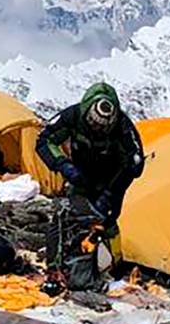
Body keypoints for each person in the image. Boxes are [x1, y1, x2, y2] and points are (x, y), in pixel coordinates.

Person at [36, 82, 144, 290]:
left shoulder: (123, 126)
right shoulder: (72, 116)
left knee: (107, 222)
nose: (97, 130)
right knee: (63, 218)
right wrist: (63, 165)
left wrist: (112, 192)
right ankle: (55, 268)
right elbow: (45, 139)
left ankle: (116, 268)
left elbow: (136, 164)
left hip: (111, 181)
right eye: (93, 125)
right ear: (87, 113)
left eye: (103, 128)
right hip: (79, 176)